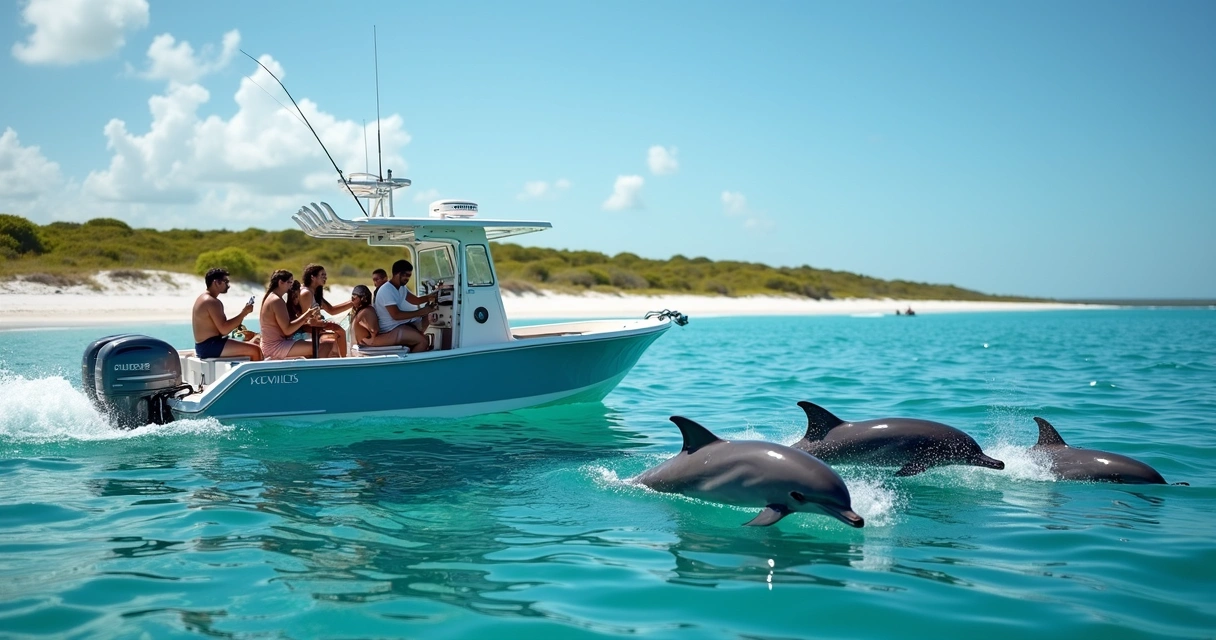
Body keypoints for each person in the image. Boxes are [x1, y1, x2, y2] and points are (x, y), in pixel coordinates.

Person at [192, 267, 263, 361]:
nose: (228, 285)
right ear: (216, 282)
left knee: (253, 344)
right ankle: (255, 376)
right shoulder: (212, 302)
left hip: (206, 345)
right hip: (209, 346)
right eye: (225, 281)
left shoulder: (203, 298)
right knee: (255, 350)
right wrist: (244, 313)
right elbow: (224, 329)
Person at [258, 269, 324, 360]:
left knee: (316, 344)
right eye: (289, 282)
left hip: (271, 345)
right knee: (323, 347)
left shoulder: (271, 297)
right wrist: (307, 315)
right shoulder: (276, 301)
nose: (291, 286)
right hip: (275, 347)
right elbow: (287, 330)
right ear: (281, 282)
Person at [373, 259, 435, 352]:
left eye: (409, 276)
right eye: (406, 275)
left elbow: (416, 300)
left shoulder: (401, 287)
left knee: (426, 320)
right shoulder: (387, 290)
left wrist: (431, 297)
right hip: (391, 328)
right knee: (423, 341)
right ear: (398, 274)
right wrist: (420, 312)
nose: (407, 279)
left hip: (400, 324)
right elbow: (396, 315)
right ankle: (412, 364)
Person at [298, 264, 351, 357]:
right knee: (338, 332)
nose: (325, 277)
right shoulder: (306, 293)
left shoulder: (314, 292)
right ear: (312, 277)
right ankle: (343, 360)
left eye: (325, 275)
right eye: (322, 275)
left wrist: (352, 303)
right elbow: (305, 319)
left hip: (315, 326)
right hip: (306, 330)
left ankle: (342, 359)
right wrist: (323, 324)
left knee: (339, 331)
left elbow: (331, 310)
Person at [349, 284, 423, 348]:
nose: (352, 300)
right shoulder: (368, 310)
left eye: (354, 298)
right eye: (353, 298)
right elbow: (375, 330)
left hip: (364, 342)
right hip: (371, 341)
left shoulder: (357, 312)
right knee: (421, 340)